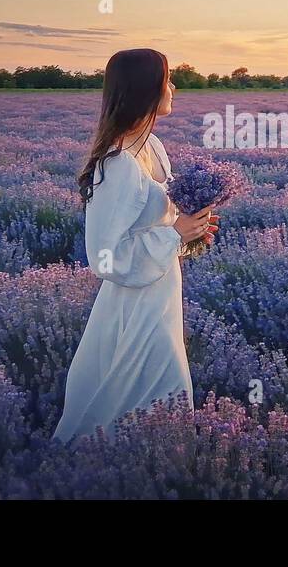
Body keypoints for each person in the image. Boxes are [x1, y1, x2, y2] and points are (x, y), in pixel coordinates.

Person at [53, 48, 218, 443]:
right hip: (136, 302)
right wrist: (175, 233)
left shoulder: (152, 148)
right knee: (157, 394)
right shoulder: (118, 164)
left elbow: (154, 224)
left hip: (161, 290)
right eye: (167, 80)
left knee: (154, 395)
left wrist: (190, 233)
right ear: (146, 89)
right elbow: (105, 257)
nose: (174, 88)